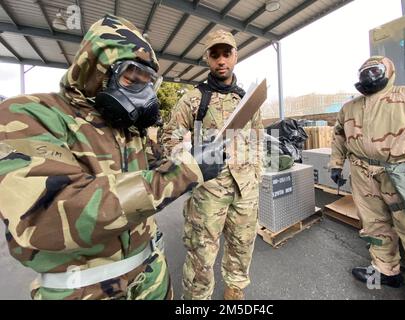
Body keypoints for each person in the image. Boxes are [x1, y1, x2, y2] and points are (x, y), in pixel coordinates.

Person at [0, 15, 224, 300]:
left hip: (151, 277)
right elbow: (50, 215)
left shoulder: (130, 131)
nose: (142, 93)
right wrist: (187, 171)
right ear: (95, 69)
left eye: (148, 82)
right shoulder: (28, 115)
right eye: (132, 77)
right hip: (83, 290)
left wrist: (191, 155)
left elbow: (159, 166)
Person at [330, 55, 405, 300]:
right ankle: (386, 271)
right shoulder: (349, 108)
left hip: (402, 174)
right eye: (364, 70)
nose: (369, 74)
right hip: (363, 174)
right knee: (374, 225)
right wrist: (335, 164)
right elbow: (339, 136)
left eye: (375, 69)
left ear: (389, 71)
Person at [162, 29, 264, 300]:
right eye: (215, 54)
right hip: (209, 190)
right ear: (207, 58)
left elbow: (257, 139)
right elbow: (167, 139)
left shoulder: (247, 98)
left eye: (226, 54)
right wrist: (189, 158)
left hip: (245, 189)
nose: (221, 60)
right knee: (201, 252)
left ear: (235, 56)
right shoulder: (193, 98)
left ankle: (235, 287)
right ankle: (197, 299)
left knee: (242, 244)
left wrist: (257, 175)